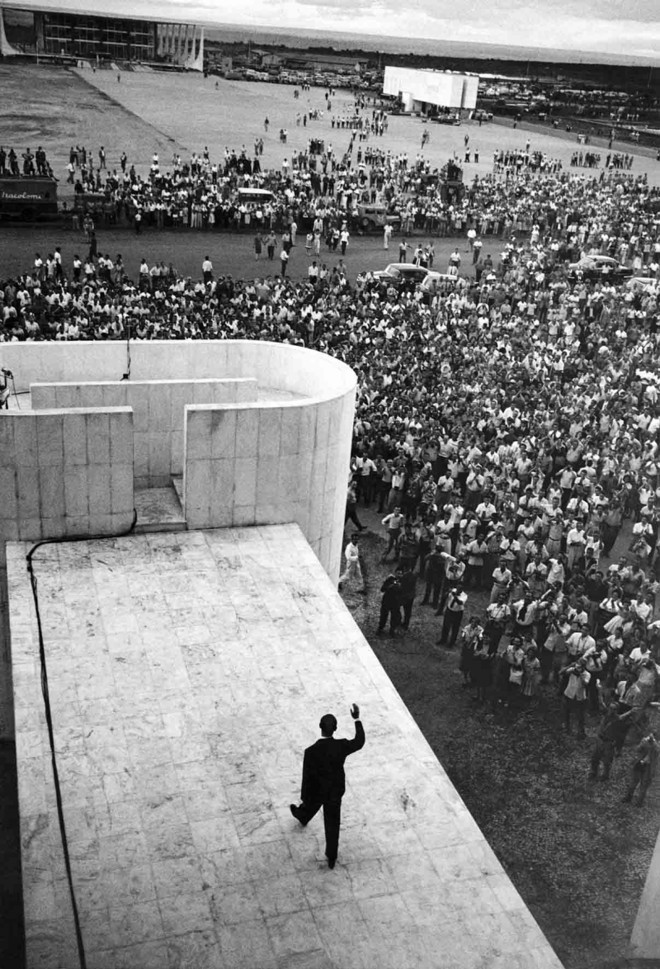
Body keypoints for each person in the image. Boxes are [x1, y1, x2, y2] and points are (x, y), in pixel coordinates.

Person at [290, 704, 365, 869]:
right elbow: (359, 742)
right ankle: (331, 856)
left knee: (311, 805)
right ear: (335, 728)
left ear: (320, 727)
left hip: (317, 790)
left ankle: (302, 815)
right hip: (334, 791)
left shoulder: (311, 752)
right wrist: (356, 718)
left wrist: (305, 797)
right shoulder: (341, 746)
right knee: (333, 824)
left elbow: (307, 777)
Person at [623, 733, 659, 806]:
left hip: (648, 767)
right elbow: (638, 749)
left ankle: (639, 802)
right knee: (633, 782)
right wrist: (643, 743)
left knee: (644, 785)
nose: (650, 737)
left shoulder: (656, 745)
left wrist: (653, 743)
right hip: (639, 764)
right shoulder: (644, 741)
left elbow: (657, 751)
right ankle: (628, 797)